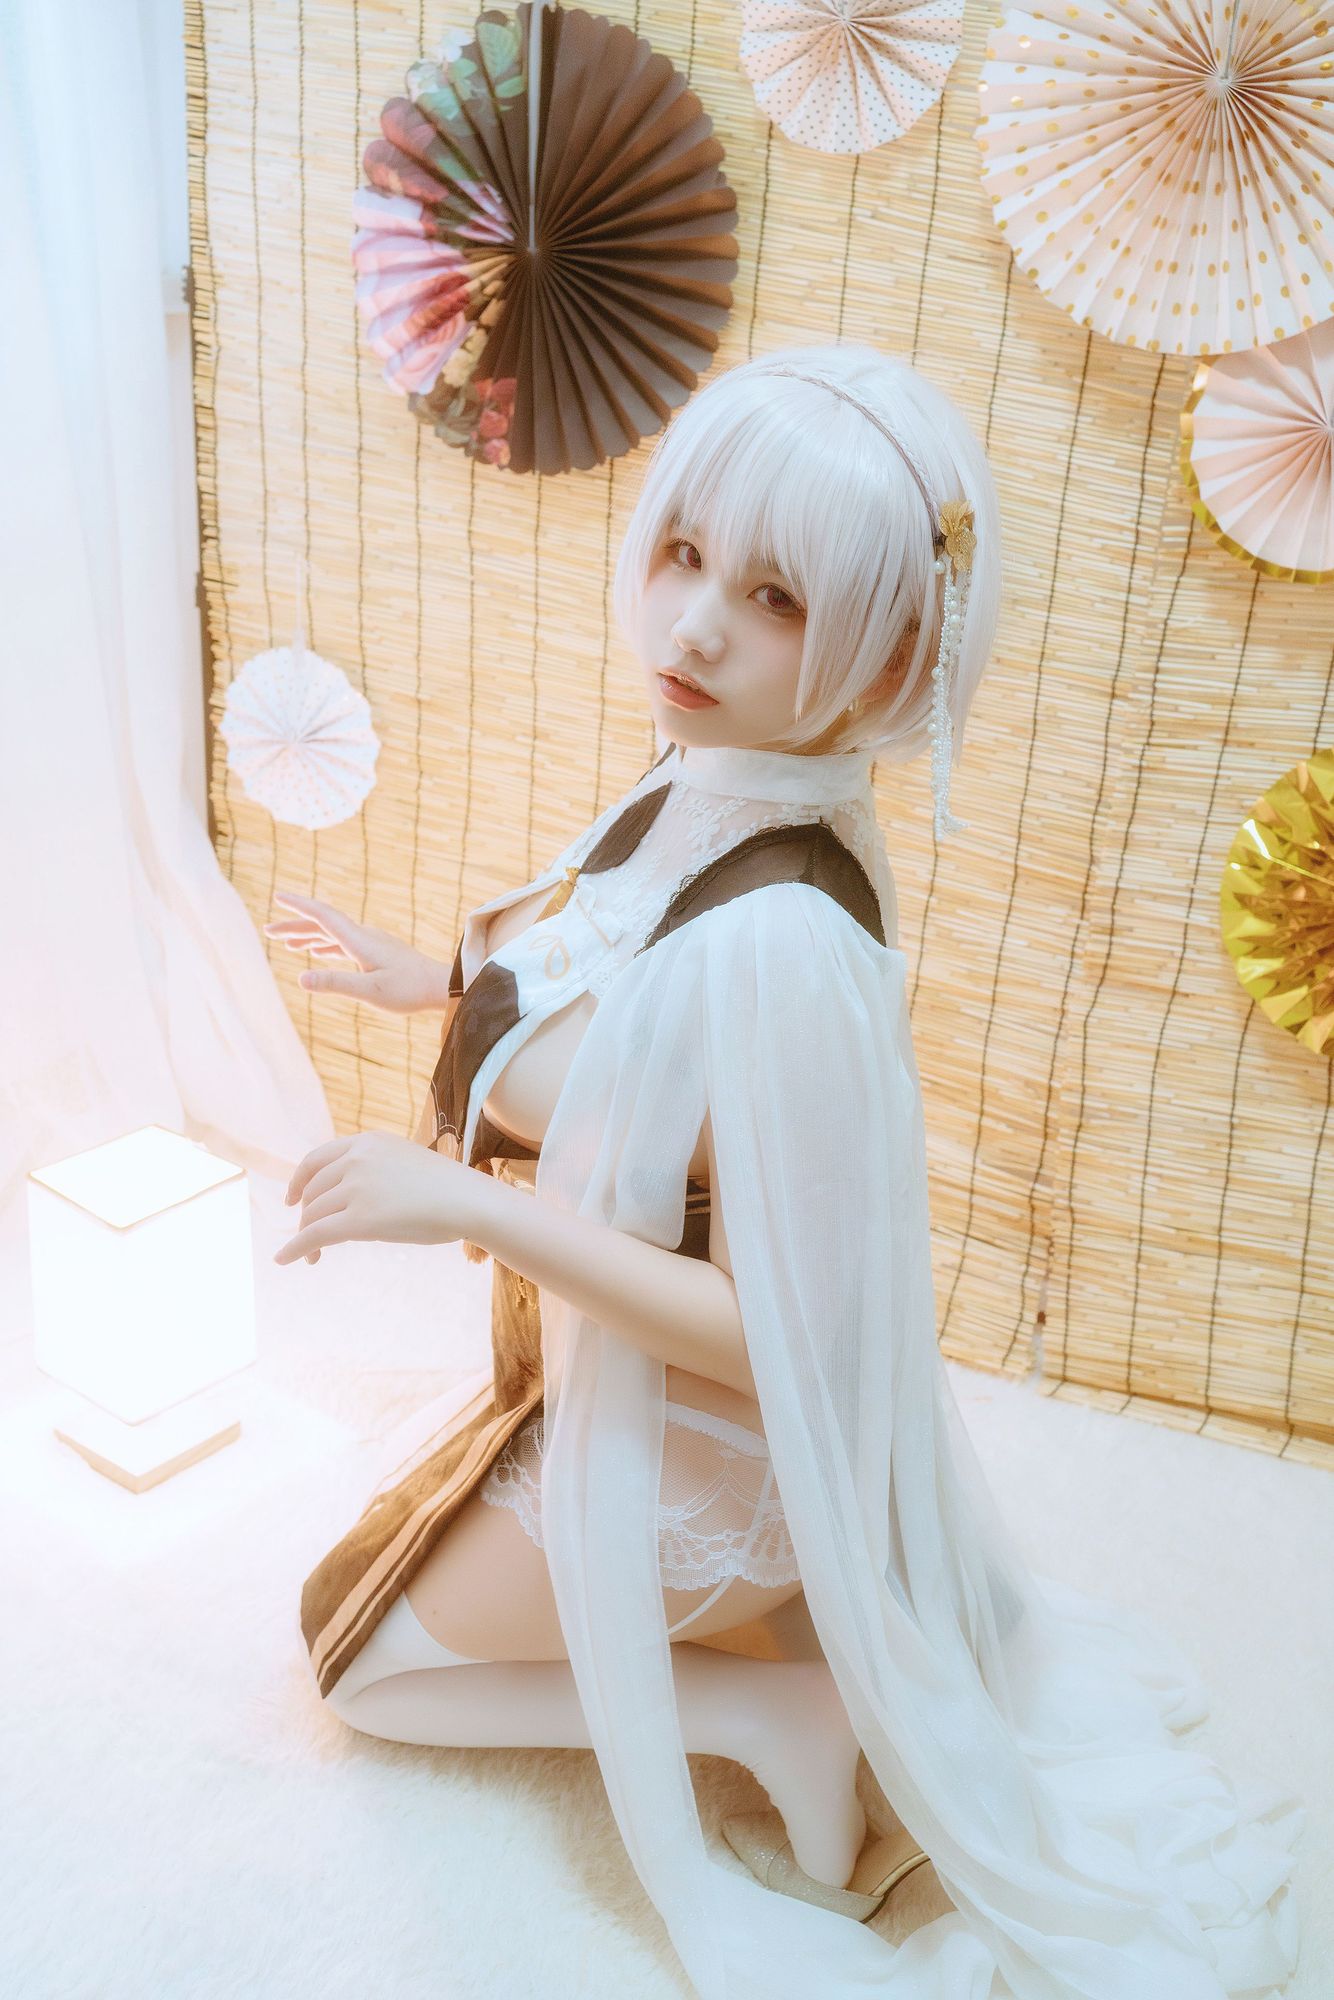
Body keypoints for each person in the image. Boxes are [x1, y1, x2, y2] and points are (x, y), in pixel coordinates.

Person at [268, 343, 1303, 1998]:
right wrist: (427, 977)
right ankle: (763, 1668)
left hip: (725, 1445)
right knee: (377, 1569)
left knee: (359, 1658)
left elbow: (780, 1342)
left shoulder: (783, 940)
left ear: (890, 653)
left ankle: (770, 1709)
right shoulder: (715, 778)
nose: (690, 629)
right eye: (682, 554)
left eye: (771, 599)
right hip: (604, 1379)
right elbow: (600, 958)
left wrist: (468, 1203)